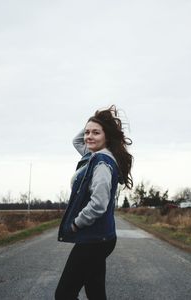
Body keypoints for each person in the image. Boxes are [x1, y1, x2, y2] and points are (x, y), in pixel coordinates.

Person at [55, 105, 133, 300]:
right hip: (100, 238)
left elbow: (99, 204)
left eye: (96, 133)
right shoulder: (91, 155)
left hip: (94, 239)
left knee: (64, 294)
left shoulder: (101, 164)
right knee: (96, 292)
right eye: (87, 132)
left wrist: (76, 223)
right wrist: (97, 120)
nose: (89, 136)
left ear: (107, 137)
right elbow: (76, 140)